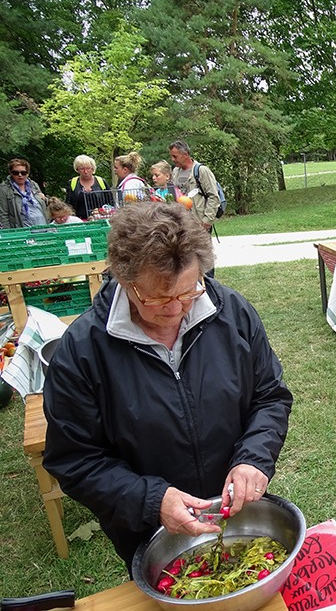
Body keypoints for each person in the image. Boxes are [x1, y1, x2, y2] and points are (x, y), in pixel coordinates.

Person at [42, 201, 293, 569]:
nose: (176, 309)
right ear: (125, 281)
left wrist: (253, 459)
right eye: (159, 297)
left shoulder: (232, 313)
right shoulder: (83, 351)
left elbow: (269, 396)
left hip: (239, 511)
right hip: (147, 531)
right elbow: (74, 459)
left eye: (188, 291)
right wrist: (152, 500)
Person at [169, 139, 221, 232]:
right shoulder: (175, 172)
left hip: (199, 223)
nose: (172, 159)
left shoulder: (201, 171)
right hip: (181, 223)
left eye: (175, 156)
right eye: (171, 156)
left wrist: (207, 221)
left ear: (185, 154)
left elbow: (213, 196)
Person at [0, 158, 48, 229]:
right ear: (10, 173)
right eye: (16, 173)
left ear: (27, 173)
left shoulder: (34, 185)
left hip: (43, 226)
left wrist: (45, 199)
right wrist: (9, 234)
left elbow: (45, 204)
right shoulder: (4, 189)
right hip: (23, 230)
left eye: (23, 172)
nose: (20, 175)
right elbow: (3, 215)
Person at [65, 154, 109, 220]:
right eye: (82, 169)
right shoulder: (72, 183)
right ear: (77, 169)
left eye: (88, 168)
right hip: (79, 222)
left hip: (100, 220)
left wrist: (102, 211)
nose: (85, 172)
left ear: (92, 168)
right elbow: (68, 205)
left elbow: (110, 203)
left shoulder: (101, 182)